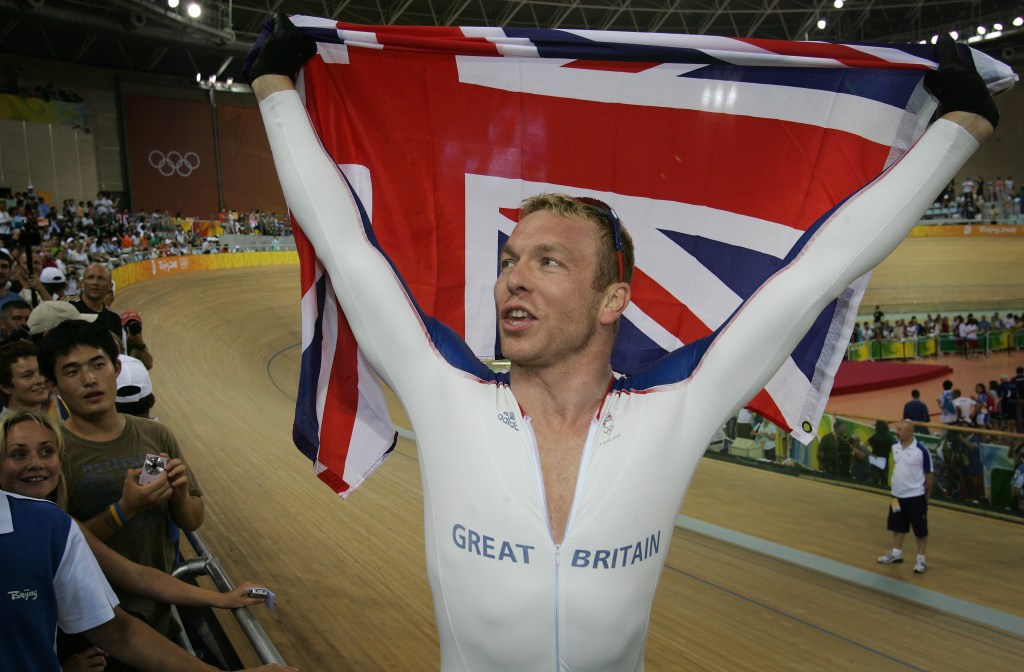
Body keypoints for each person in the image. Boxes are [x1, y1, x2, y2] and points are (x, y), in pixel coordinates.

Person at [250, 15, 996, 669]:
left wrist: (960, 130)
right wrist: (275, 89)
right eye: (509, 260)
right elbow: (346, 247)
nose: (513, 279)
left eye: (548, 262)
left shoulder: (680, 406)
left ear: (614, 299)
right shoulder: (444, 389)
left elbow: (817, 272)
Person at [0, 488, 296, 672]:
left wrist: (221, 599)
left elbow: (120, 625)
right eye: (18, 454)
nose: (35, 464)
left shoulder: (52, 527)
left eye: (47, 451)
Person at [37, 320, 203, 639]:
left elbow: (193, 520)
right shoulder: (50, 454)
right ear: (53, 385)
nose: (89, 380)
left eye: (98, 365)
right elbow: (57, 547)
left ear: (115, 367)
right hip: (92, 627)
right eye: (71, 372)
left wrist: (180, 495)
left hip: (159, 607)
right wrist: (125, 509)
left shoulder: (156, 434)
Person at [876, 420, 933, 573]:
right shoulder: (894, 447)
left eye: (900, 429)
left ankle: (921, 560)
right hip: (896, 497)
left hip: (915, 497)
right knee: (897, 525)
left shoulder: (921, 450)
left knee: (920, 530)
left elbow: (929, 476)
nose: (897, 432)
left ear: (909, 432)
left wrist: (927, 497)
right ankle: (896, 553)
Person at [0, 341, 59, 419]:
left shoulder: (59, 411)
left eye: (41, 372)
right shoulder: (3, 429)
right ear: (5, 387)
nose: (40, 380)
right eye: (27, 376)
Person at [66, 263, 122, 336]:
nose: (95, 283)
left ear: (110, 286)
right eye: (90, 277)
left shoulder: (114, 319)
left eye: (101, 278)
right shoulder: (67, 305)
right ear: (82, 283)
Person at [867, 420, 893, 487]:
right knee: (884, 480)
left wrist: (870, 454)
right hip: (885, 460)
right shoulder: (889, 438)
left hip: (875, 459)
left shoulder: (874, 437)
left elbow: (864, 446)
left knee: (874, 479)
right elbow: (891, 450)